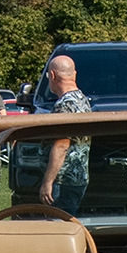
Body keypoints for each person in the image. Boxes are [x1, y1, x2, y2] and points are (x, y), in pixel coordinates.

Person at [38, 55, 91, 215]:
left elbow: (61, 145)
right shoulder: (82, 100)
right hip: (78, 178)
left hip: (62, 181)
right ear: (74, 75)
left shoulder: (65, 104)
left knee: (56, 228)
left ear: (52, 75)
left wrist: (48, 182)